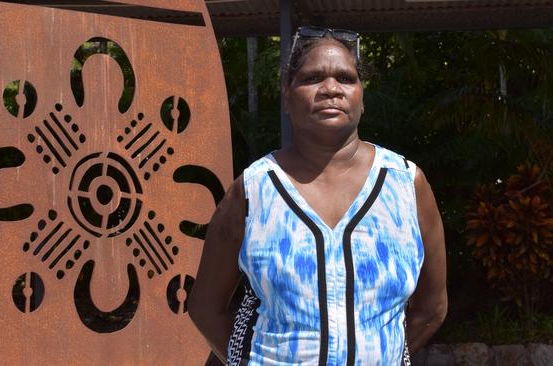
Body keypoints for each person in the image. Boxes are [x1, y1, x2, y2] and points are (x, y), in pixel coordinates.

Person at [189, 26, 447, 365]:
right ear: (287, 96)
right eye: (312, 78)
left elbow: (432, 307)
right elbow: (205, 307)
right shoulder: (254, 190)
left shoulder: (405, 185)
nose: (330, 89)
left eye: (346, 78)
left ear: (361, 96)